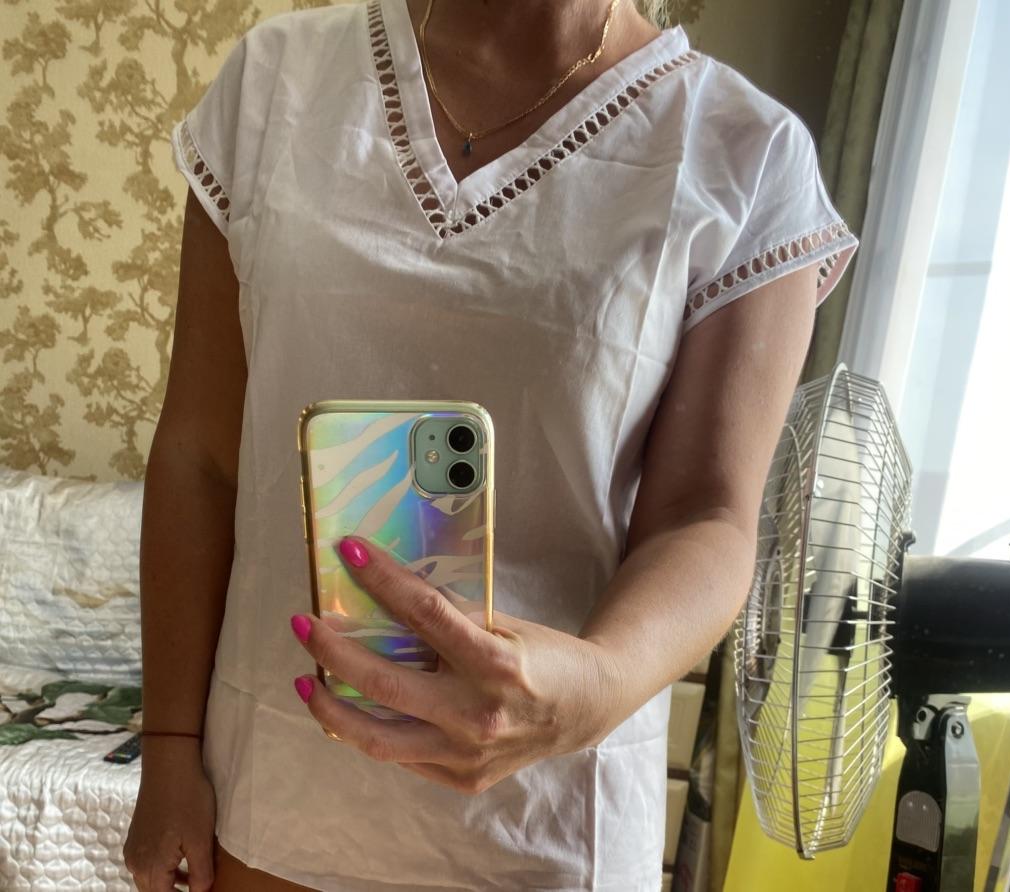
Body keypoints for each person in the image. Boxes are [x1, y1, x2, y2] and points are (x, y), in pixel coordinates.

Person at [123, 0, 858, 888]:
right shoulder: (276, 80)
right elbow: (202, 455)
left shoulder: (745, 152)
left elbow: (707, 515)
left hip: (550, 821)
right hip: (274, 789)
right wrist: (168, 746)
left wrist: (595, 687)